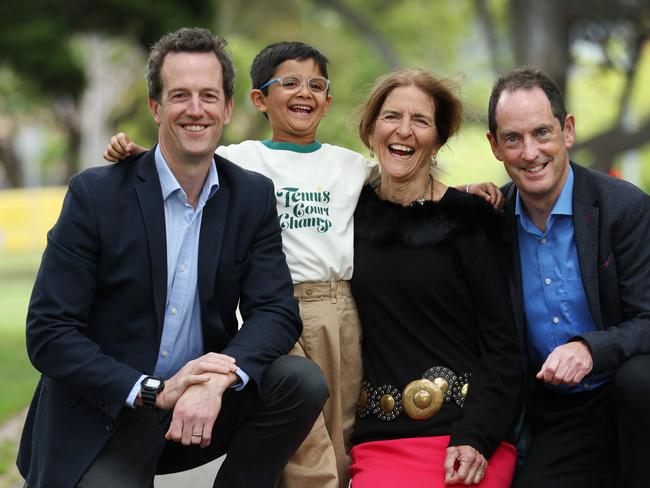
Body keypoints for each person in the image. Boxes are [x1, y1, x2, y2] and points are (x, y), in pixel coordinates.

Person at [104, 41, 503, 488]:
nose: (304, 92)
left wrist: (466, 188)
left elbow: (407, 178)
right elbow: (183, 161)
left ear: (328, 101)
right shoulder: (242, 158)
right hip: (276, 310)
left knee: (340, 435)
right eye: (289, 83)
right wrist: (134, 153)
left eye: (316, 85)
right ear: (259, 100)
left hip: (339, 310)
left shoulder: (347, 165)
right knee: (304, 443)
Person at [17, 27, 329, 488]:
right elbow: (48, 333)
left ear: (227, 107)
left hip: (202, 408)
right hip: (111, 411)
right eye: (179, 95)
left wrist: (218, 378)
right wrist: (152, 392)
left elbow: (276, 311)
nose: (195, 109)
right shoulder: (96, 194)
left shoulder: (250, 195)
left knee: (300, 381)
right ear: (156, 107)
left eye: (209, 95)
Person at [348, 69, 521, 487]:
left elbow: (502, 347)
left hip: (466, 435)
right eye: (391, 117)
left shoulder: (471, 220)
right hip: (380, 441)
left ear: (439, 139)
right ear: (370, 130)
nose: (403, 131)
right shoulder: (344, 214)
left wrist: (475, 437)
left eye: (421, 121)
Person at [486, 67, 650, 488]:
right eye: (512, 139)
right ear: (494, 147)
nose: (529, 152)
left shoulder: (624, 208)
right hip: (560, 412)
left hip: (636, 396)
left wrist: (590, 349)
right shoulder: (490, 225)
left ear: (568, 131)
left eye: (542, 133)